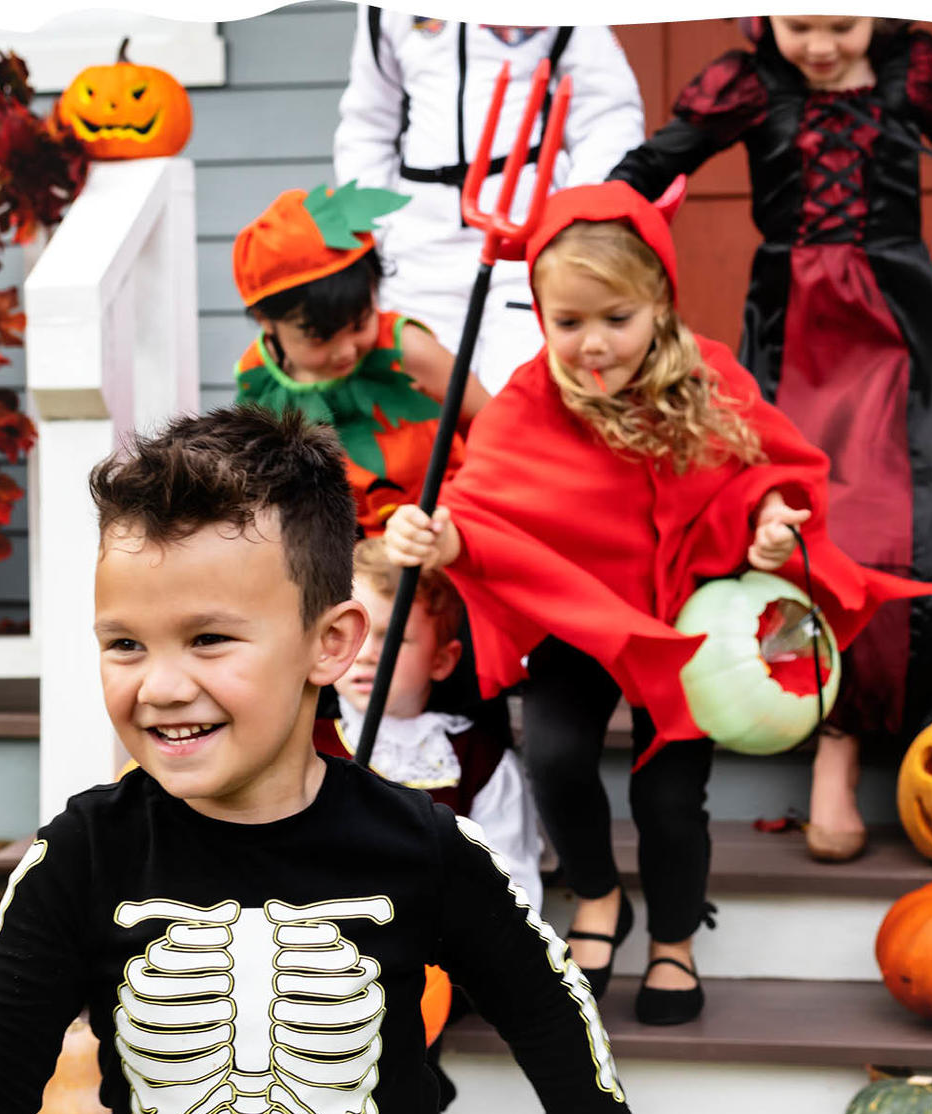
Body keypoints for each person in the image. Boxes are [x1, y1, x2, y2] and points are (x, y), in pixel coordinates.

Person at [0, 406, 645, 1114]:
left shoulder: (427, 847)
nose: (160, 687)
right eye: (124, 643)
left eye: (209, 639)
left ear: (329, 644)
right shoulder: (85, 854)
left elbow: (554, 1023)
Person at [384, 181, 932, 1025]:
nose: (593, 345)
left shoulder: (708, 379)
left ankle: (676, 936)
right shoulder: (532, 400)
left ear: (660, 303)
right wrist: (437, 540)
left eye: (616, 318)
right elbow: (483, 512)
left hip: (691, 627)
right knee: (560, 758)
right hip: (583, 620)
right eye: (567, 323)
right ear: (540, 314)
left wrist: (767, 522)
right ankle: (602, 897)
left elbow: (766, 473)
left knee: (671, 793)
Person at [607, 16, 932, 862]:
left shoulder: (913, 75)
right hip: (795, 324)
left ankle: (927, 718)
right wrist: (597, 230)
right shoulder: (751, 85)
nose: (820, 45)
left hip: (901, 317)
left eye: (841, 24)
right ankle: (835, 741)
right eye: (799, 24)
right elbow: (650, 169)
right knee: (818, 516)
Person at [334, 11, 645, 394]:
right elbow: (367, 122)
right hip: (418, 245)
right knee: (420, 411)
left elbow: (607, 113)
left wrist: (572, 223)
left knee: (519, 397)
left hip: (526, 238)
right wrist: (376, 231)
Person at [233, 181, 491, 537]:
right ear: (265, 319)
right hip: (335, 550)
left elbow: (493, 425)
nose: (346, 350)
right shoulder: (257, 377)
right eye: (319, 336)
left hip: (435, 531)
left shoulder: (407, 350)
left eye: (359, 323)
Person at [317, 536, 543, 910]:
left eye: (393, 639)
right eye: (348, 633)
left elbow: (512, 889)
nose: (367, 655)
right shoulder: (302, 746)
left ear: (441, 660)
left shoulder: (479, 763)